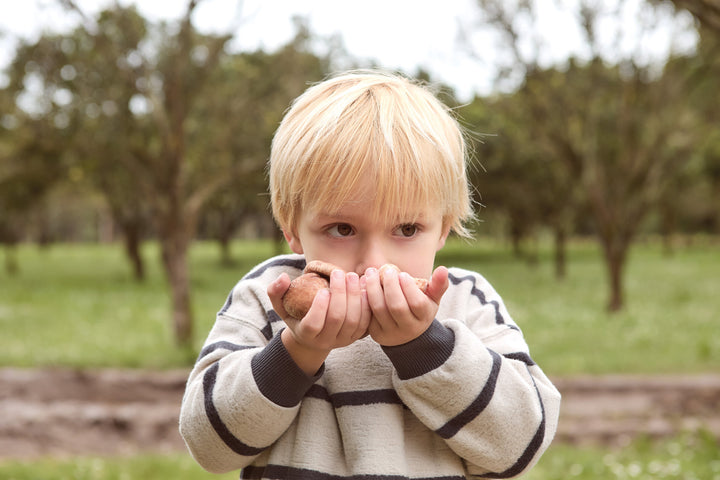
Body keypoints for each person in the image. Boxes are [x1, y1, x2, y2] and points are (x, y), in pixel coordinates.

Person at [179, 70, 561, 479]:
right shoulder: (268, 297)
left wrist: (425, 347)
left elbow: (520, 443)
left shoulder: (464, 302)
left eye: (407, 229)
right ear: (291, 228)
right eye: (342, 229)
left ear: (443, 228)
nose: (375, 263)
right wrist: (296, 353)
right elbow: (209, 447)